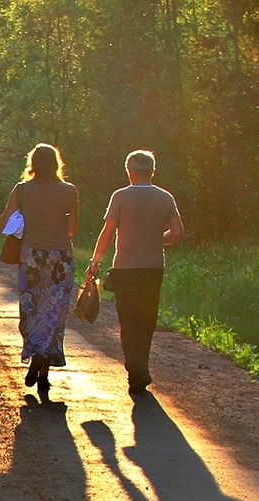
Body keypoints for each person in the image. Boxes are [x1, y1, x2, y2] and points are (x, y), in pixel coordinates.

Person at [85, 149, 184, 394]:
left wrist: (95, 261)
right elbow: (178, 233)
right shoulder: (165, 197)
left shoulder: (120, 197)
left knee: (128, 320)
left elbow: (108, 233)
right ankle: (141, 368)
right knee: (146, 320)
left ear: (130, 171)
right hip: (153, 267)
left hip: (125, 268)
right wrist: (156, 240)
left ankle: (135, 370)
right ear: (152, 171)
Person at [0, 143, 79, 399]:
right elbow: (72, 230)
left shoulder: (22, 190)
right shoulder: (69, 191)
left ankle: (36, 352)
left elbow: (3, 224)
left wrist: (24, 218)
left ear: (32, 163)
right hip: (61, 257)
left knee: (31, 309)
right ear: (56, 164)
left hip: (31, 257)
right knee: (55, 311)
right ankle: (44, 371)